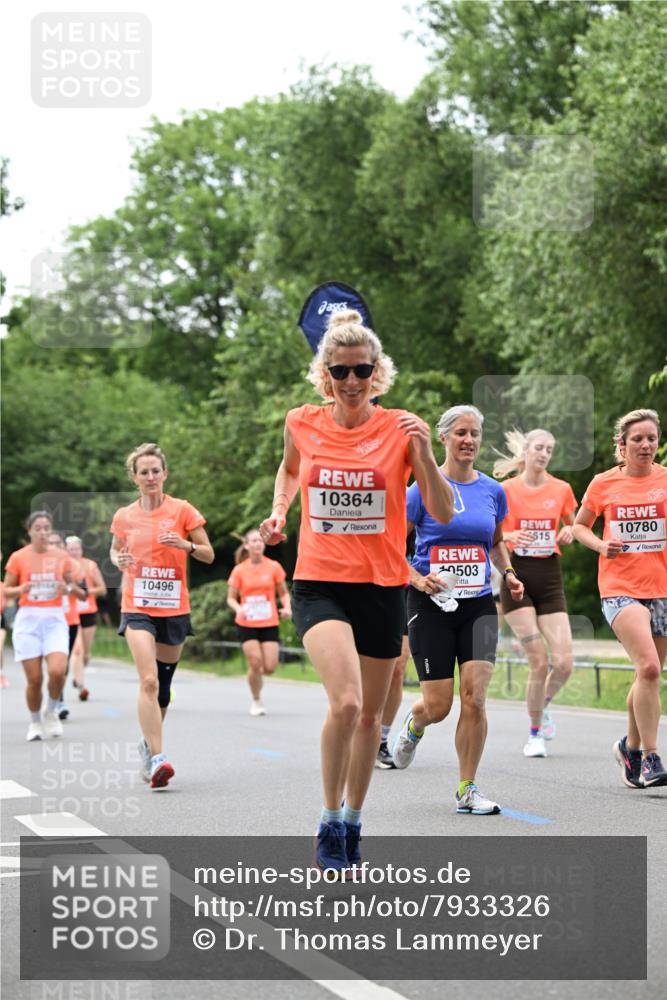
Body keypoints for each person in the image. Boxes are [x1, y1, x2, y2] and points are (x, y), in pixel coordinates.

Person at [259, 309, 454, 873]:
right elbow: (289, 469)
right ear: (325, 374)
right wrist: (279, 512)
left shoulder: (401, 428)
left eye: (361, 371)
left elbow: (439, 511)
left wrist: (424, 457)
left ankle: (352, 821)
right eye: (340, 371)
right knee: (345, 703)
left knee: (371, 718)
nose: (350, 382)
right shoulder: (302, 421)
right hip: (319, 582)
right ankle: (326, 819)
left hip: (382, 585)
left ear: (377, 373)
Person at [392, 405, 524, 815]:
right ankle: (415, 724)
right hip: (431, 604)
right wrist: (416, 578)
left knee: (476, 698)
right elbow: (391, 544)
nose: (469, 440)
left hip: (480, 604)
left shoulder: (492, 491)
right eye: (461, 433)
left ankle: (467, 788)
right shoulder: (420, 490)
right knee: (439, 705)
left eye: (475, 434)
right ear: (444, 438)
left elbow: (497, 539)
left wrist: (509, 572)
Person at [110, 443, 214, 789]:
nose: (151, 477)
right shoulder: (124, 516)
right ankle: (157, 757)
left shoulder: (183, 510)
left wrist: (186, 546)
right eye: (144, 472)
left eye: (156, 471)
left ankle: (147, 745)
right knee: (149, 681)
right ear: (135, 478)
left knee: (164, 688)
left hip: (173, 607)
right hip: (137, 605)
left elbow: (209, 555)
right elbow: (115, 549)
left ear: (165, 474)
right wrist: (117, 561)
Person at [573, 408, 667, 788]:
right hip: (619, 587)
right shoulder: (603, 483)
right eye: (637, 439)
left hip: (662, 587)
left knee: (647, 674)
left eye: (651, 438)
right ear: (621, 445)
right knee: (648, 669)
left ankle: (628, 746)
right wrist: (601, 544)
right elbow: (579, 527)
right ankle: (649, 757)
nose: (645, 445)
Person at [493, 428, 578, 757]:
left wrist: (569, 531)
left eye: (549, 449)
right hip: (516, 577)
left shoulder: (562, 489)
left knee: (565, 663)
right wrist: (513, 534)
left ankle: (542, 705)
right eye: (539, 447)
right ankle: (534, 735)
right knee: (539, 662)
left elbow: (574, 524)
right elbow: (493, 533)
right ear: (526, 451)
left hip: (550, 577)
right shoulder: (505, 490)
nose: (544, 453)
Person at [3, 511, 83, 740]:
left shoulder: (61, 557)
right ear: (29, 531)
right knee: (35, 679)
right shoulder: (18, 557)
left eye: (47, 528)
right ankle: (35, 722)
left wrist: (66, 588)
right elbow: (7, 590)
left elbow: (77, 590)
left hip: (54, 618)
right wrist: (20, 590)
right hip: (28, 619)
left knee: (58, 671)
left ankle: (51, 711)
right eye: (37, 528)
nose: (43, 532)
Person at [227, 529, 292, 716]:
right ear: (247, 545)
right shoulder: (239, 570)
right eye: (253, 541)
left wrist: (287, 608)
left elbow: (284, 593)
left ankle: (255, 677)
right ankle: (256, 700)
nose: (257, 544)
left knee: (269, 667)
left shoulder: (274, 567)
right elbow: (231, 598)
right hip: (247, 622)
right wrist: (239, 609)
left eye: (260, 541)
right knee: (255, 663)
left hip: (269, 621)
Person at [65, 535, 107, 701]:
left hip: (88, 611)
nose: (74, 552)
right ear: (65, 551)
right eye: (70, 549)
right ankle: (81, 685)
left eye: (76, 549)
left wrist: (85, 593)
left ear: (81, 550)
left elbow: (102, 589)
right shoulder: (62, 567)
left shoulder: (90, 566)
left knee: (86, 653)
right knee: (77, 650)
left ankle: (79, 673)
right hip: (71, 612)